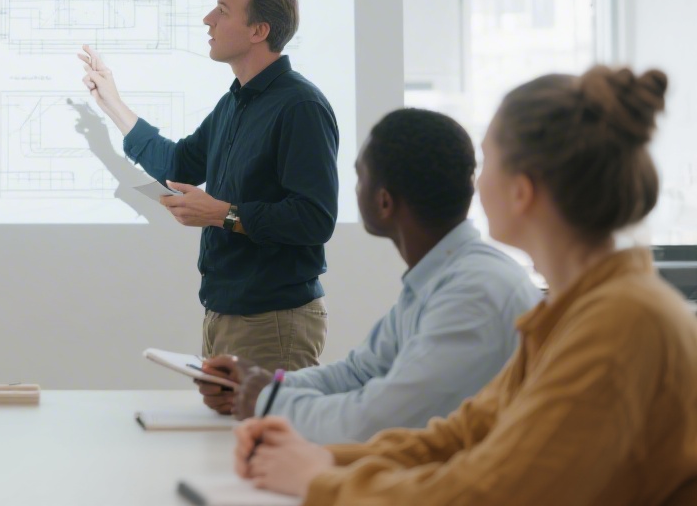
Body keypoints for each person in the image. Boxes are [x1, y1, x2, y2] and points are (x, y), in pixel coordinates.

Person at [235, 66, 697, 504]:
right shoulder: (575, 311)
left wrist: (321, 480)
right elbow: (462, 436)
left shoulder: (621, 322)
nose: (473, 182)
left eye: (487, 160)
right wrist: (324, 458)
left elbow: (492, 493)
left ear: (522, 190)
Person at [198, 108, 540, 443]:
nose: (354, 188)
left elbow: (376, 422)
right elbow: (359, 373)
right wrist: (263, 383)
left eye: (359, 176)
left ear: (384, 202)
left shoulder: (475, 291)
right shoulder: (443, 276)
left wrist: (268, 400)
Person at [79, 0, 338, 370]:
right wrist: (111, 101)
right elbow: (179, 164)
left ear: (258, 30)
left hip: (273, 319)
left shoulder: (300, 107)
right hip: (223, 314)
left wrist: (223, 214)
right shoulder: (233, 104)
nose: (207, 20)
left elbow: (314, 219)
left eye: (222, 11)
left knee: (264, 434)